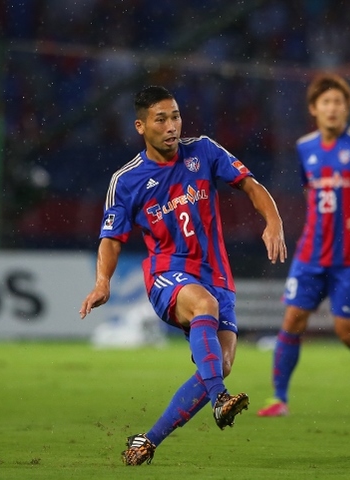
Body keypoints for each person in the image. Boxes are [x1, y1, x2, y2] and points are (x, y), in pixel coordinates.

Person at [79, 85, 287, 466]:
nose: (171, 126)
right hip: (168, 275)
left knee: (221, 364)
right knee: (204, 309)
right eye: (161, 119)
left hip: (217, 276)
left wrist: (273, 220)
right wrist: (102, 282)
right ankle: (220, 399)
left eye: (175, 116)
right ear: (141, 126)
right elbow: (111, 238)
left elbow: (250, 184)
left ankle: (148, 440)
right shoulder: (126, 180)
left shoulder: (203, 151)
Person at [257, 73, 350, 418]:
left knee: (347, 331)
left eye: (338, 102)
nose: (332, 108)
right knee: (292, 320)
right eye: (326, 103)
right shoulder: (304, 147)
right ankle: (279, 399)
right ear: (314, 109)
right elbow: (312, 191)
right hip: (310, 252)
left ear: (347, 108)